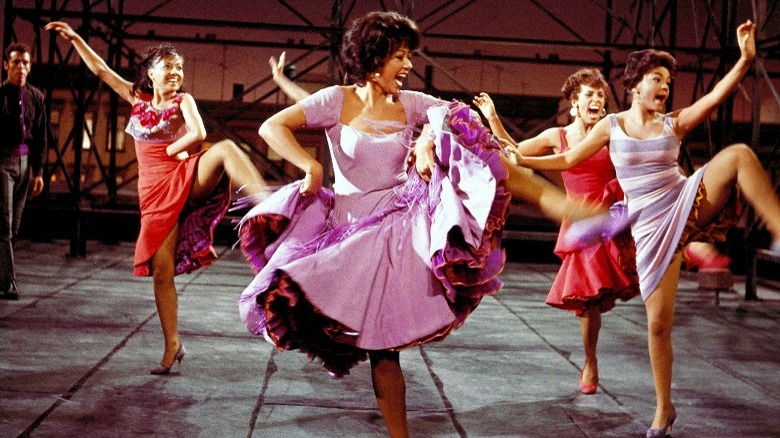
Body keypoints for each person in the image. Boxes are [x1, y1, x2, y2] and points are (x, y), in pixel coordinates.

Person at [238, 11, 509, 437]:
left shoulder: (413, 103)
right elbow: (272, 127)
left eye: (409, 56)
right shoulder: (335, 99)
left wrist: (425, 138)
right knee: (335, 328)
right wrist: (309, 165)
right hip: (348, 235)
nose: (408, 66)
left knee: (385, 351)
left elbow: (457, 118)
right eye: (400, 56)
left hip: (396, 238)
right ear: (374, 56)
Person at [512, 20, 780, 436]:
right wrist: (521, 159)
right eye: (657, 79)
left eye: (669, 82)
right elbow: (567, 160)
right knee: (658, 325)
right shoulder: (612, 126)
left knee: (740, 155)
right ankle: (665, 407)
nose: (665, 87)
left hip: (684, 201)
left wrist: (745, 60)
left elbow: (714, 96)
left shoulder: (675, 123)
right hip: (650, 230)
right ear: (635, 84)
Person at [45, 21, 268, 375]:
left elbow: (199, 133)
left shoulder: (185, 101)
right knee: (162, 274)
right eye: (169, 67)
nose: (176, 73)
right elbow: (102, 71)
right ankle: (172, 344)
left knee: (225, 148)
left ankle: (268, 203)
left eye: (180, 68)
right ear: (151, 73)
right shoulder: (137, 99)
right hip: (153, 194)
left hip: (182, 176)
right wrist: (75, 40)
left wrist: (175, 150)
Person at [474, 69, 640, 396]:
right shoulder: (558, 136)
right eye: (590, 95)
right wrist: (493, 119)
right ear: (574, 103)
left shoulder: (612, 134)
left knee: (616, 288)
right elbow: (515, 152)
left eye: (601, 96)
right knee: (587, 299)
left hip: (612, 216)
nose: (597, 101)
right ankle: (590, 360)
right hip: (580, 225)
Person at [0, 43, 48, 300]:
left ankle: (1, 276)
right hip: (2, 162)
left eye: (25, 63)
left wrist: (38, 172)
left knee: (14, 226)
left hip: (25, 161)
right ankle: (8, 283)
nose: (21, 67)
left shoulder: (36, 97)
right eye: (16, 62)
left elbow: (41, 137)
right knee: (4, 224)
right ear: (6, 64)